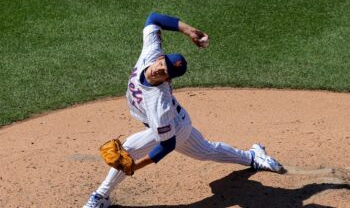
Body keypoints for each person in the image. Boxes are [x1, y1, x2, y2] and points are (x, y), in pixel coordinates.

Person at [83, 12, 284, 208]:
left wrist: (136, 166)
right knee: (206, 150)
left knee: (128, 152)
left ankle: (100, 196)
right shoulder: (151, 53)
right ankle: (253, 156)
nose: (158, 70)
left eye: (164, 72)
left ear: (167, 80)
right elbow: (153, 19)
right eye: (161, 64)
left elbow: (168, 144)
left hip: (173, 129)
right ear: (159, 58)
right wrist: (189, 30)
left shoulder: (159, 104)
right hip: (179, 120)